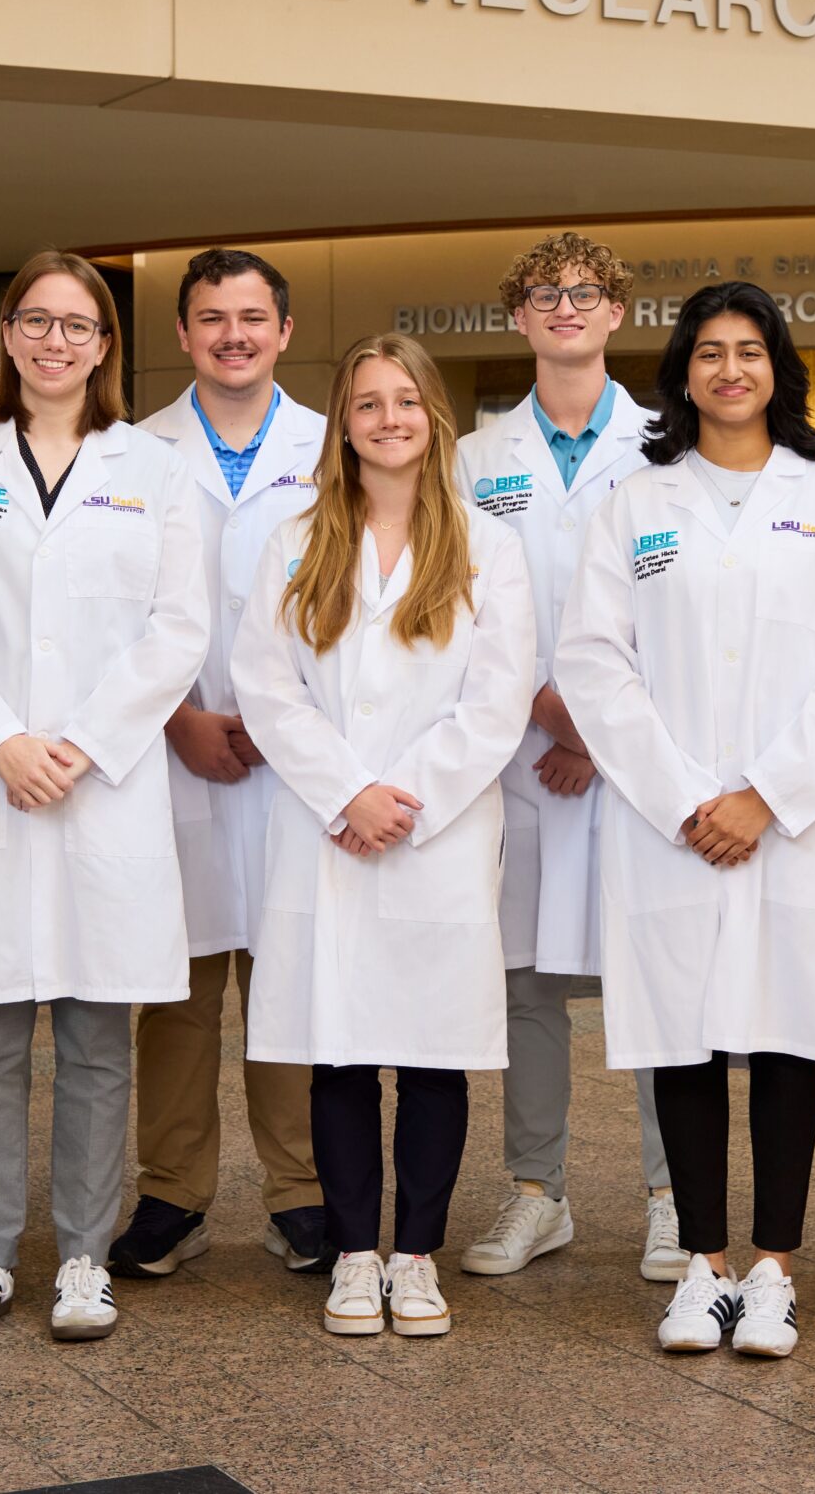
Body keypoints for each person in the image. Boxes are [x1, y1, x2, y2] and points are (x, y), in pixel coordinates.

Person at [553, 282, 815, 1360]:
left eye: (749, 350)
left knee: (788, 1032)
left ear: (777, 369)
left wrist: (768, 794)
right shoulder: (636, 503)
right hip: (670, 822)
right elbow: (592, 659)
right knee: (689, 1037)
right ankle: (702, 1267)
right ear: (682, 373)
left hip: (795, 821)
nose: (729, 369)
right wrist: (682, 797)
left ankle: (773, 1272)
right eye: (708, 351)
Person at [0, 251, 210, 1344]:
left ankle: (82, 1258)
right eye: (35, 320)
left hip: (99, 787)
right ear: (8, 334)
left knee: (95, 1039)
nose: (55, 341)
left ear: (105, 344)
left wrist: (78, 743)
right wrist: (0, 743)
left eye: (77, 325)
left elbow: (179, 628)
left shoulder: (152, 468)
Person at [230, 333, 535, 1339]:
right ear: (344, 423)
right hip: (328, 830)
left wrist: (401, 798)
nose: (387, 419)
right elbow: (265, 686)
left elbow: (497, 702)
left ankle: (417, 1257)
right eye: (367, 403)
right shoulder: (296, 540)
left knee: (435, 1050)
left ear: (434, 417)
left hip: (436, 833)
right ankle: (356, 1254)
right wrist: (346, 793)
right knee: (340, 1047)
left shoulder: (489, 547)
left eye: (405, 400)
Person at [452, 233, 683, 1284]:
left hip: (634, 756)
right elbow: (461, 603)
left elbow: (679, 608)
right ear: (518, 316)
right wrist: (547, 709)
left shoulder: (666, 445)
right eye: (544, 293)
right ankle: (537, 1191)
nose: (565, 307)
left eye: (585, 292)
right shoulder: (474, 457)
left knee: (651, 977)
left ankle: (672, 1196)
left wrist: (598, 723)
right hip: (520, 754)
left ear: (616, 312)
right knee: (527, 984)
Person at [120, 249, 329, 1280]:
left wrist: (284, 722)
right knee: (178, 989)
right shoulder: (132, 453)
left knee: (292, 981)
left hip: (299, 761)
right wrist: (178, 720)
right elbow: (114, 611)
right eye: (212, 318)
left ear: (284, 331)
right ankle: (173, 1193)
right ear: (183, 333)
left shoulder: (333, 446)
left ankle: (304, 1192)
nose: (233, 335)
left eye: (252, 317)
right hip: (174, 751)